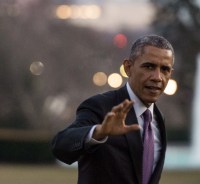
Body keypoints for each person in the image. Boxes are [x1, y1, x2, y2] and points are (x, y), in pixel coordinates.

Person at [51, 34, 175, 184]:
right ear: (128, 68)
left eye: (164, 69)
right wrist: (98, 132)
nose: (157, 77)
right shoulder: (101, 107)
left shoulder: (158, 118)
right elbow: (61, 146)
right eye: (149, 67)